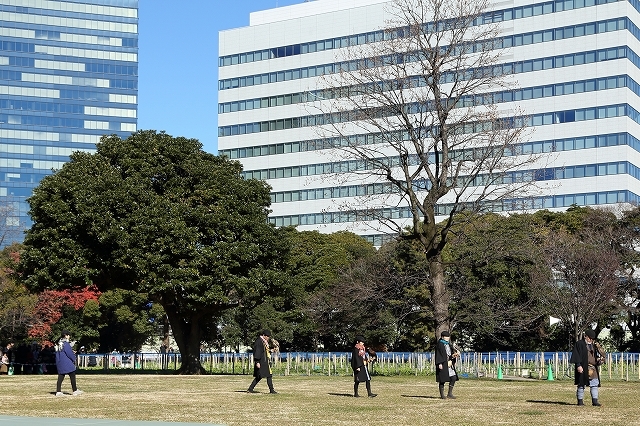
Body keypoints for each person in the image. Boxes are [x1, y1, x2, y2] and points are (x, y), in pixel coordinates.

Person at [570, 329, 605, 406]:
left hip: (593, 367)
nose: (591, 340)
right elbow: (576, 355)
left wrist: (599, 361)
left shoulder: (594, 345)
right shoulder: (579, 344)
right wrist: (578, 365)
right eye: (590, 338)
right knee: (581, 384)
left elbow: (596, 356)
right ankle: (580, 401)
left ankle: (595, 401)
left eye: (592, 338)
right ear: (585, 336)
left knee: (595, 384)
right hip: (583, 367)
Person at [247, 329, 277, 394]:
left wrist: (271, 351)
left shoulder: (263, 342)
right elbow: (257, 352)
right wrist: (257, 362)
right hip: (261, 361)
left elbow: (264, 351)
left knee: (260, 376)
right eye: (267, 336)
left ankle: (250, 389)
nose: (268, 338)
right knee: (268, 375)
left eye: (269, 336)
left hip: (265, 361)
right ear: (263, 335)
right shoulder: (259, 342)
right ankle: (271, 390)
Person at [55, 330, 83, 396]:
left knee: (61, 377)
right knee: (72, 375)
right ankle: (75, 390)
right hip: (67, 362)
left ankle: (58, 391)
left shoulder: (58, 344)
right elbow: (69, 353)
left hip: (60, 362)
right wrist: (74, 359)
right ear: (66, 335)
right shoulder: (65, 344)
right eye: (68, 335)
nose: (69, 336)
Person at [435, 331, 459, 399]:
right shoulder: (440, 344)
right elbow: (438, 354)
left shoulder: (448, 344)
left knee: (453, 377)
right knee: (442, 379)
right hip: (442, 363)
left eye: (448, 337)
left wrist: (454, 356)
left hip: (449, 363)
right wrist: (439, 363)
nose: (448, 338)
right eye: (446, 337)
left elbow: (450, 353)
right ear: (443, 337)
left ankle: (450, 393)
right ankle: (442, 395)